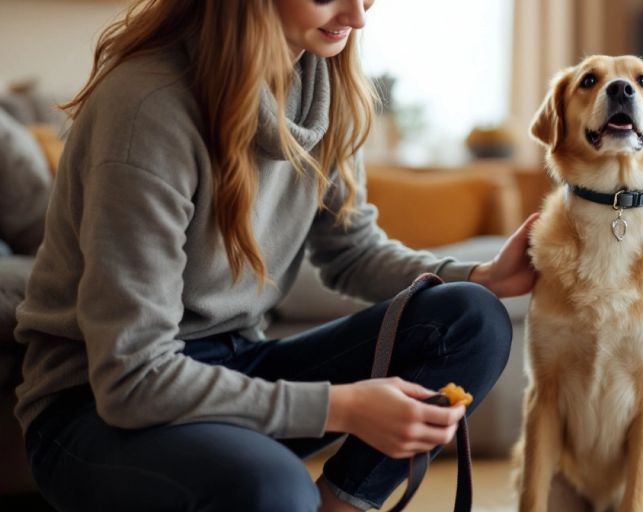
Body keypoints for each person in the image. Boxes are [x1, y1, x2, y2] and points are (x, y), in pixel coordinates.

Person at [14, 0, 537, 510]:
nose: (357, 17)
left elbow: (351, 251)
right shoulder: (146, 106)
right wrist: (342, 408)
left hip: (236, 363)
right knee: (275, 489)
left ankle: (341, 505)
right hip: (95, 408)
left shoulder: (323, 82)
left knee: (473, 317)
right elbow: (131, 378)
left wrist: (485, 275)